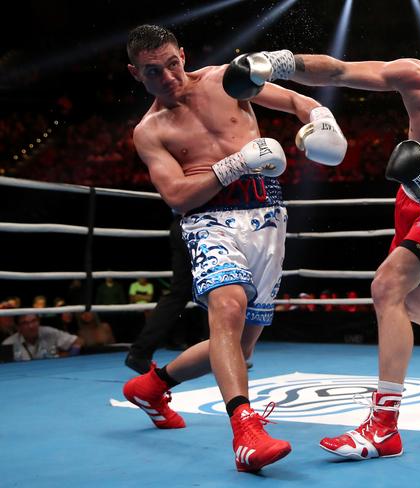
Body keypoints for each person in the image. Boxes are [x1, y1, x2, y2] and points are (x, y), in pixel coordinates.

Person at [224, 19, 420, 459]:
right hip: (411, 201)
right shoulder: (416, 77)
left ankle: (383, 427)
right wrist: (276, 63)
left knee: (386, 287)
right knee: (418, 305)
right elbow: (339, 71)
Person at [121, 25, 347, 472]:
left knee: (238, 351)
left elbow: (298, 101)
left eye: (172, 63)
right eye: (153, 71)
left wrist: (322, 119)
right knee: (227, 307)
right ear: (135, 74)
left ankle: (151, 386)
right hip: (209, 220)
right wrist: (237, 163)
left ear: (182, 54)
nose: (168, 76)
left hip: (266, 216)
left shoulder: (228, 78)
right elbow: (178, 197)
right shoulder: (149, 131)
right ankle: (245, 433)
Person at [124, 214, 208, 374]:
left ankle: (139, 352)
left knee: (180, 293)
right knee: (214, 287)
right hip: (201, 225)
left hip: (185, 223)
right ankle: (221, 356)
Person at [2, 313, 84, 361]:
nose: (31, 326)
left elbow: (78, 341)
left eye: (34, 321)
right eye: (25, 323)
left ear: (39, 322)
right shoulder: (8, 344)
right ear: (18, 327)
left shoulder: (50, 332)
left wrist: (70, 360)